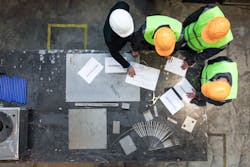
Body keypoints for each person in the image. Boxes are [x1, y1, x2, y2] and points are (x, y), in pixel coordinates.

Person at [180, 5, 233, 70]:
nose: (203, 37)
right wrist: (182, 26)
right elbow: (192, 17)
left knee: (184, 53)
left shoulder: (224, 42)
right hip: (185, 32)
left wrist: (190, 61)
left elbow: (206, 54)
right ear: (210, 22)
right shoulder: (209, 12)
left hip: (193, 47)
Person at [103, 1, 136, 77]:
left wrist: (135, 47)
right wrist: (128, 66)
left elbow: (130, 36)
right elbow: (114, 53)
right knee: (116, 48)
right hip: (116, 41)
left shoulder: (123, 6)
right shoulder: (109, 38)